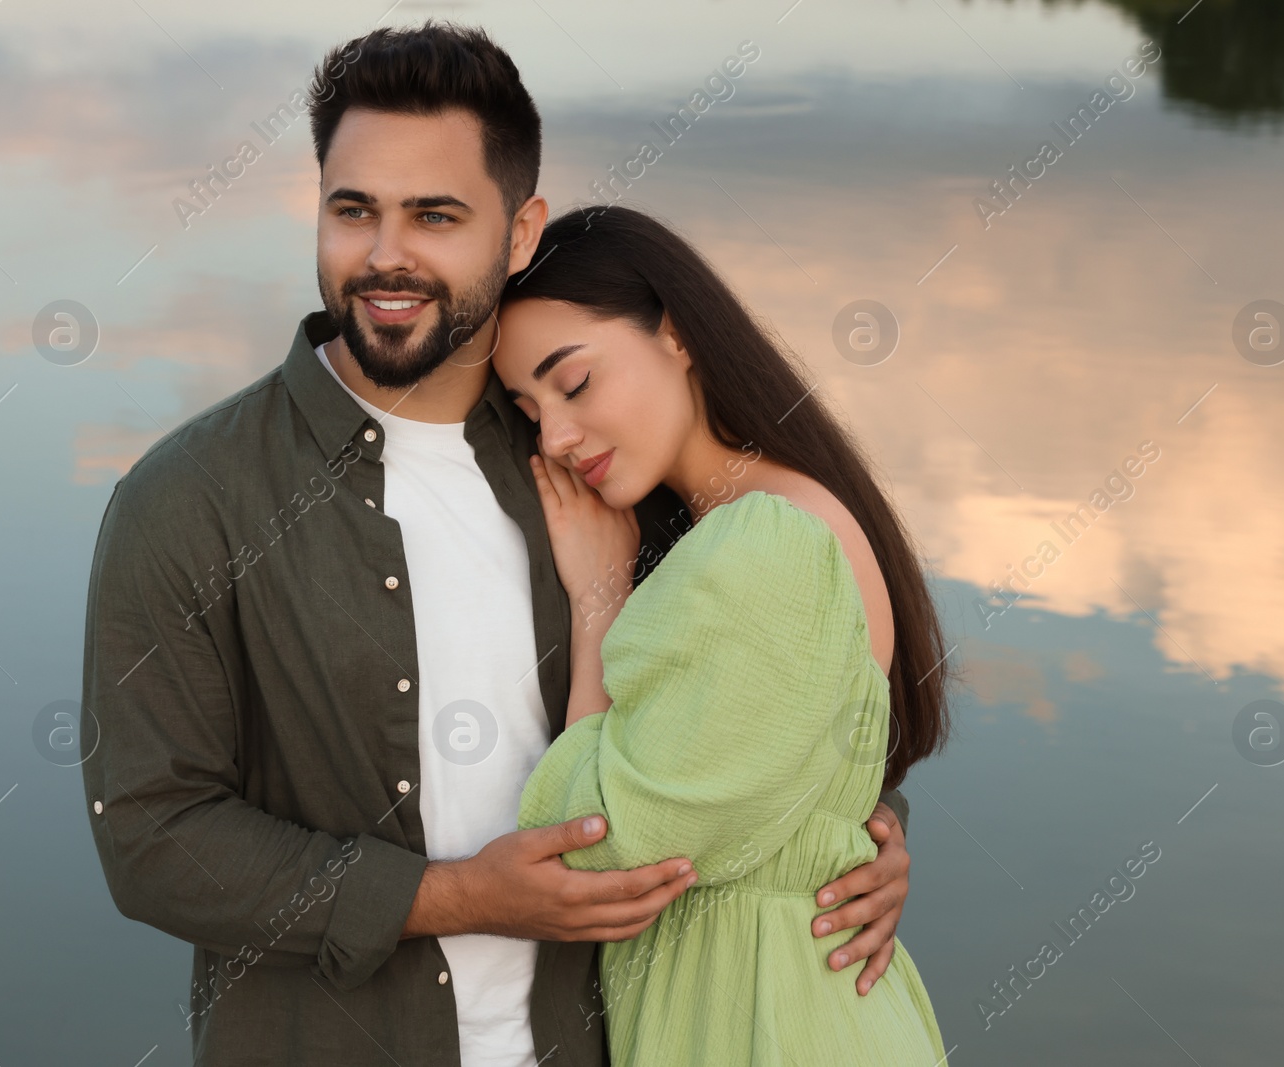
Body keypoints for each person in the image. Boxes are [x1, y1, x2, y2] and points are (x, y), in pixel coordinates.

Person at [79, 23, 919, 1067]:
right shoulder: (188, 498)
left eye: (434, 214)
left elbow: (743, 702)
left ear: (520, 232)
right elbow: (153, 838)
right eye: (354, 210)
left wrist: (858, 834)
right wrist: (453, 895)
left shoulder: (604, 477)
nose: (387, 253)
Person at [496, 205, 954, 1065]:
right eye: (529, 410)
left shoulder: (764, 545)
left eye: (576, 382)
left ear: (675, 334)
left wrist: (598, 602)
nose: (555, 436)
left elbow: (592, 851)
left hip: (774, 1029)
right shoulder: (748, 526)